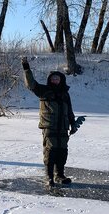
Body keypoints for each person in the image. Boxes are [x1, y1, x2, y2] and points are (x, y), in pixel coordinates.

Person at [22, 57, 79, 187]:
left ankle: (59, 175)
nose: (55, 80)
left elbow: (69, 110)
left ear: (61, 80)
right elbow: (30, 84)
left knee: (62, 151)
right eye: (53, 78)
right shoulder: (43, 90)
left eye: (57, 78)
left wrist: (73, 123)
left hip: (63, 127)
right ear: (49, 80)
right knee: (50, 151)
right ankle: (49, 177)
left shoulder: (65, 94)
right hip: (49, 126)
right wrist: (26, 68)